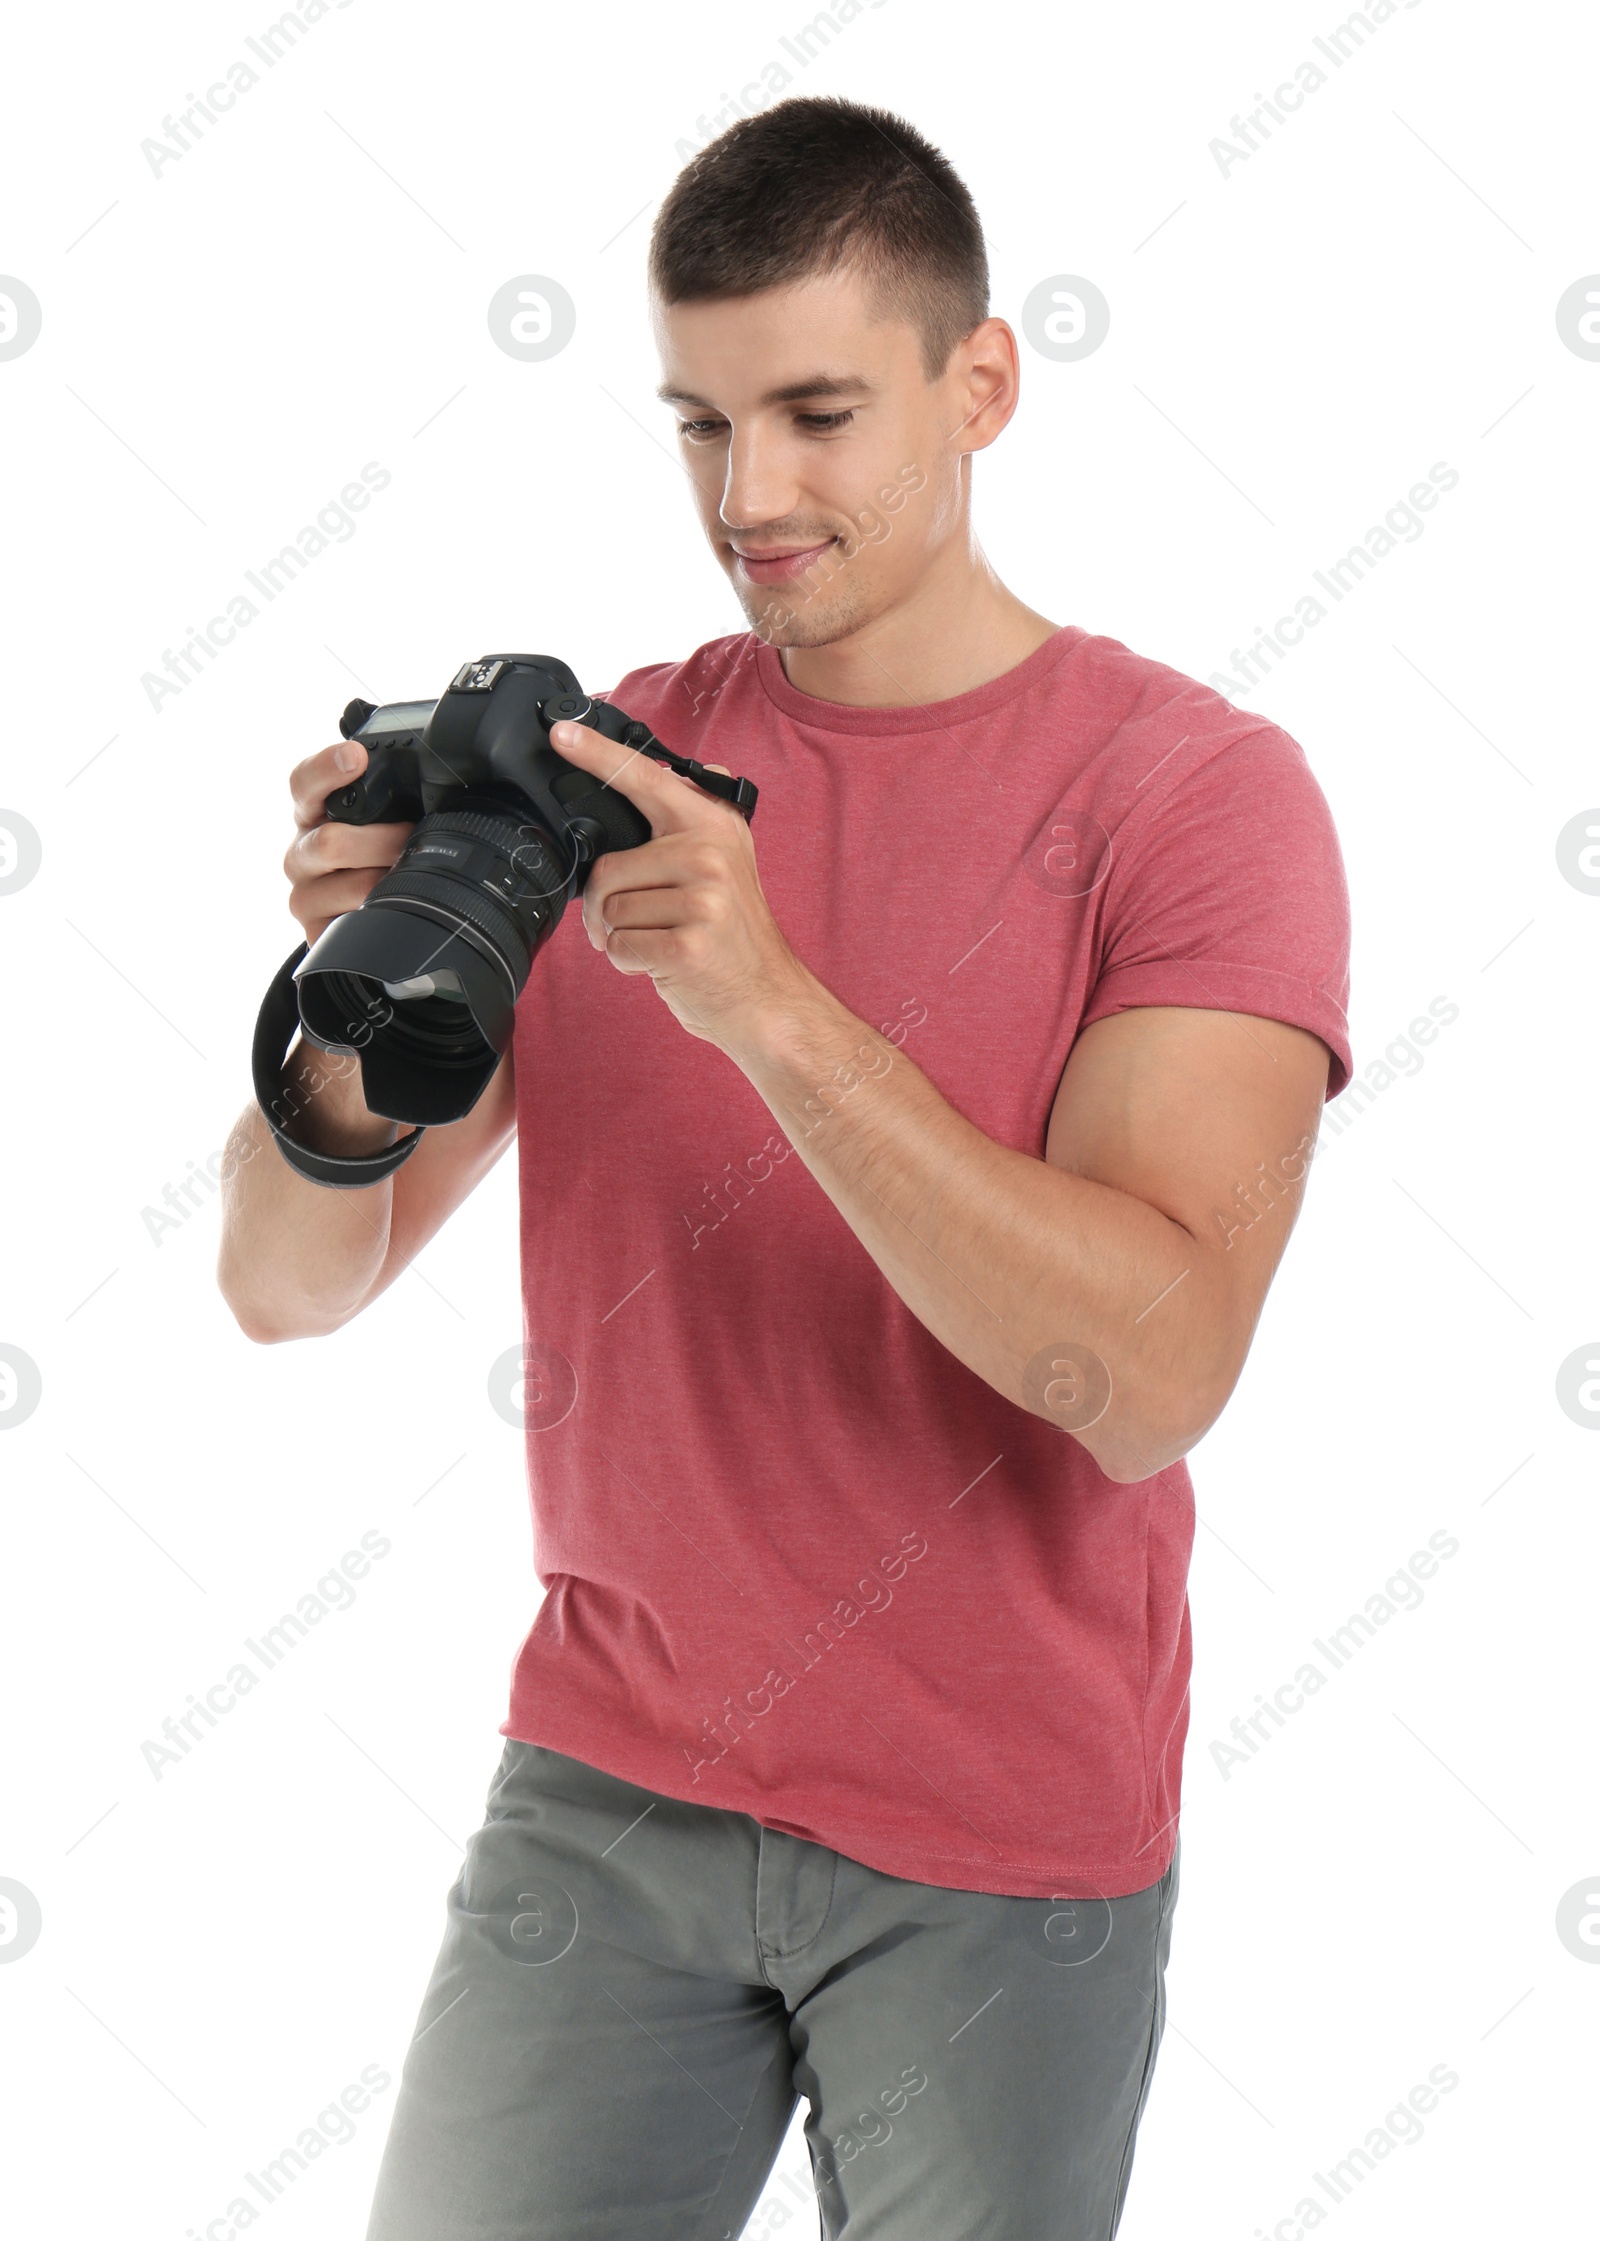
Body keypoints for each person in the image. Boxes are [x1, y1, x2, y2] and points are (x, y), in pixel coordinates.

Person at [218, 93, 1352, 2241]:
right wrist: (353, 999)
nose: (750, 496)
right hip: (604, 1783)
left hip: (996, 1830)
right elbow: (283, 1281)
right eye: (698, 423)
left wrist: (770, 1003)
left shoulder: (1191, 796)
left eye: (818, 412)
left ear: (977, 382)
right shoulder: (601, 767)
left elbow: (1152, 1367)